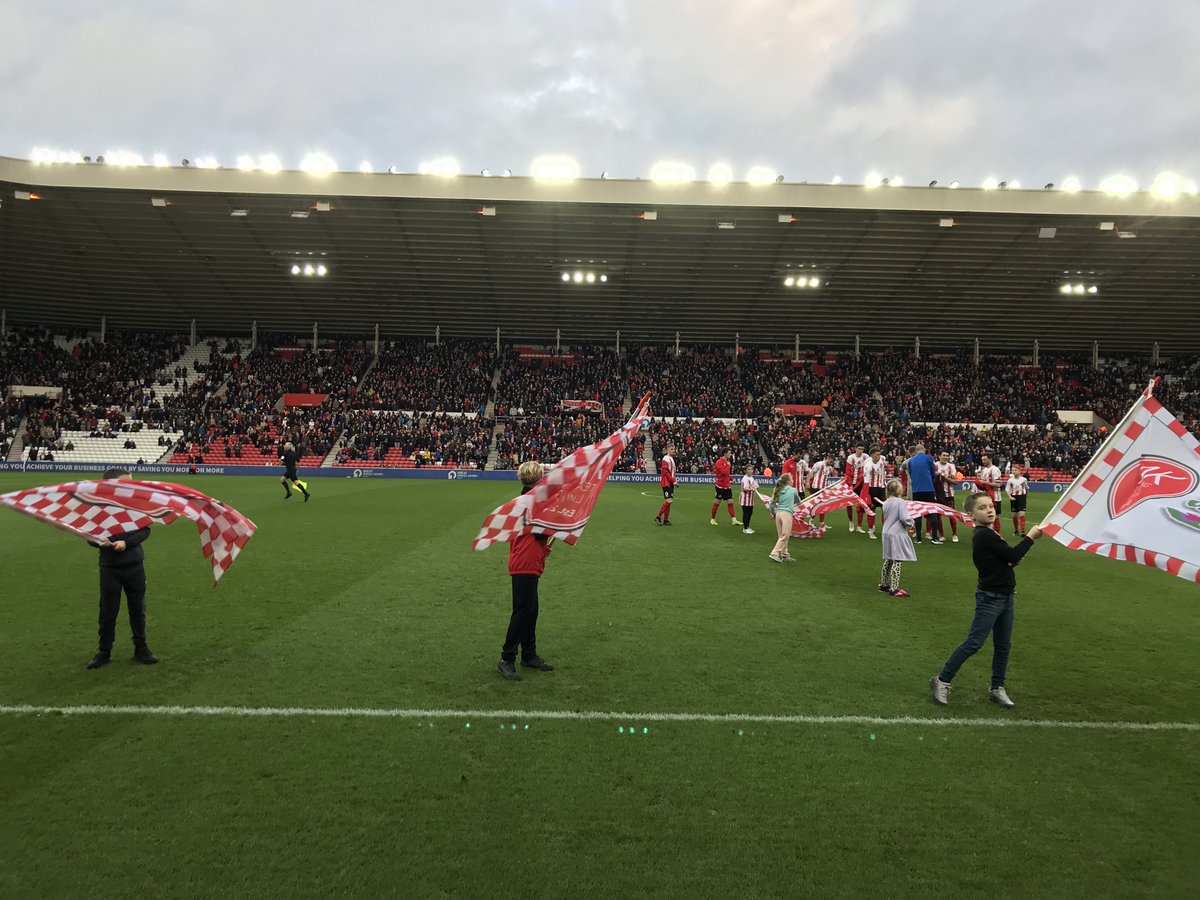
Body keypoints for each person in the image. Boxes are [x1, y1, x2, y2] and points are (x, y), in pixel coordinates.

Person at [930, 493, 1044, 709]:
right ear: (971, 515)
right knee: (974, 642)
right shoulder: (983, 535)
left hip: (1006, 596)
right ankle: (942, 680)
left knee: (1003, 646)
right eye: (982, 508)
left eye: (990, 506)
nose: (989, 510)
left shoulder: (991, 534)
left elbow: (1005, 559)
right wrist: (1030, 537)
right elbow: (1012, 555)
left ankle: (996, 688)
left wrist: (1009, 561)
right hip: (991, 598)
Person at [86, 468, 157, 669]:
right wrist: (102, 543)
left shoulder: (133, 505)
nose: (132, 487)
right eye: (127, 483)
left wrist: (126, 543)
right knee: (108, 610)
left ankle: (141, 648)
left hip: (134, 565)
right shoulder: (98, 508)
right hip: (110, 568)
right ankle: (104, 651)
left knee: (138, 608)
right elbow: (89, 536)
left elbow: (145, 530)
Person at [496, 461, 555, 681]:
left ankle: (529, 654)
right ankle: (506, 658)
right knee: (523, 611)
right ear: (539, 479)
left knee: (531, 609)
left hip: (526, 558)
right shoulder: (535, 502)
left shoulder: (524, 501)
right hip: (526, 562)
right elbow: (541, 532)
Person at [878, 479, 916, 597]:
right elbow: (904, 518)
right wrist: (912, 522)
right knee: (897, 560)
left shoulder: (887, 502)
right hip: (897, 533)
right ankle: (894, 588)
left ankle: (883, 584)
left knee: (888, 559)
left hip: (886, 532)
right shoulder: (900, 502)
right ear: (898, 490)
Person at [908, 443, 942, 545]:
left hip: (916, 489)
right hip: (928, 488)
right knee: (932, 512)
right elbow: (933, 473)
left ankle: (918, 538)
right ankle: (934, 538)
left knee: (918, 513)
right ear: (924, 450)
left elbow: (910, 474)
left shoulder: (911, 461)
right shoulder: (929, 458)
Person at [767, 473, 799, 562]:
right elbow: (798, 501)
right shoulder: (793, 490)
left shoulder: (778, 490)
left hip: (778, 514)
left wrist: (774, 514)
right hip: (786, 514)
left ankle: (785, 554)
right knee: (785, 535)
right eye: (792, 479)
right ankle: (775, 553)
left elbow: (771, 504)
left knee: (782, 536)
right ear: (788, 481)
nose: (793, 480)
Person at [862, 445, 889, 540]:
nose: (879, 456)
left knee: (885, 509)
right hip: (872, 489)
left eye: (880, 454)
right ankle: (871, 530)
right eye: (877, 454)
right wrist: (867, 495)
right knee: (872, 510)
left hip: (881, 489)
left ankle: (885, 530)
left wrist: (885, 487)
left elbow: (882, 475)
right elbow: (866, 482)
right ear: (872, 455)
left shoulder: (881, 461)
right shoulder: (868, 466)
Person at [710, 448, 741, 527]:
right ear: (725, 454)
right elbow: (723, 472)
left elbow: (727, 474)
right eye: (729, 453)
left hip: (727, 486)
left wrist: (731, 479)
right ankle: (712, 519)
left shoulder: (727, 462)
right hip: (720, 486)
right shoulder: (719, 462)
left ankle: (734, 520)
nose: (730, 454)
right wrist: (728, 465)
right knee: (717, 502)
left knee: (730, 502)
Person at [935, 451, 961, 543]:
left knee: (951, 515)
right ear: (939, 456)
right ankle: (941, 535)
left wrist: (944, 477)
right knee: (938, 515)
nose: (945, 457)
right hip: (938, 494)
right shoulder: (935, 466)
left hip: (949, 494)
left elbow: (955, 482)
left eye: (947, 455)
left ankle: (954, 534)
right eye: (944, 455)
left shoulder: (951, 467)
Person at [975, 453, 1003, 535]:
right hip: (986, 497)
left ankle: (997, 534)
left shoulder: (995, 470)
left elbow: (998, 485)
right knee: (986, 516)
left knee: (995, 516)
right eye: (982, 460)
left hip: (995, 497)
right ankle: (989, 533)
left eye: (984, 459)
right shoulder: (983, 470)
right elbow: (983, 485)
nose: (983, 461)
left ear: (990, 459)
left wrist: (985, 482)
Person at [807, 453, 836, 527]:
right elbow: (811, 472)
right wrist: (807, 483)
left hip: (823, 489)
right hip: (816, 488)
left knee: (823, 506)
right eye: (831, 461)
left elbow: (830, 475)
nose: (831, 463)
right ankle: (811, 521)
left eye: (833, 462)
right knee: (816, 506)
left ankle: (822, 523)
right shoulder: (819, 464)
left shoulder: (830, 468)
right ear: (827, 458)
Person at [845, 444, 868, 532]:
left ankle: (859, 526)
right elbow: (847, 473)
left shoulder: (866, 457)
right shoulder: (851, 458)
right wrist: (850, 484)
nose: (861, 450)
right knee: (849, 504)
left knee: (861, 504)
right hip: (852, 484)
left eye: (862, 449)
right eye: (859, 449)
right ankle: (851, 522)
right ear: (855, 449)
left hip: (862, 484)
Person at [1005, 464, 1030, 537]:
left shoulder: (1024, 479)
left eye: (1015, 470)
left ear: (1019, 471)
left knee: (1022, 514)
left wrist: (1025, 496)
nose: (1014, 471)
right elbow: (1007, 489)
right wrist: (1010, 497)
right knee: (1014, 515)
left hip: (1022, 497)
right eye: (1013, 470)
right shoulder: (1010, 480)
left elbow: (1027, 488)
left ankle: (1023, 531)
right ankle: (1016, 530)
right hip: (1014, 498)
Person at [655, 443, 677, 526]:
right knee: (669, 500)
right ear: (667, 450)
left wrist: (674, 479)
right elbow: (665, 472)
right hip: (666, 482)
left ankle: (666, 520)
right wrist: (673, 480)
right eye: (671, 449)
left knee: (669, 501)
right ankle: (658, 517)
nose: (673, 450)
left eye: (674, 449)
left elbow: (671, 472)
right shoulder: (665, 459)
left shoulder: (671, 459)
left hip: (670, 482)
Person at [739, 465, 759, 535]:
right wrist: (751, 489)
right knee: (746, 513)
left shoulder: (752, 478)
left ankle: (747, 526)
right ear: (745, 471)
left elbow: (757, 485)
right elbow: (744, 489)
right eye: (749, 469)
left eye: (751, 469)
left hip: (750, 499)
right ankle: (745, 528)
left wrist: (755, 487)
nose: (750, 471)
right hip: (745, 499)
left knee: (750, 513)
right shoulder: (745, 478)